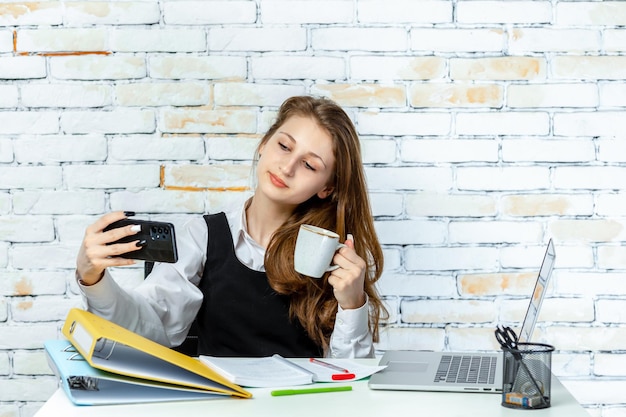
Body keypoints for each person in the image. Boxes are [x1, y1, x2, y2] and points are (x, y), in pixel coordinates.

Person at [75, 95, 387, 358]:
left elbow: (352, 377)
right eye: (284, 146)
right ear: (264, 143)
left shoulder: (330, 258)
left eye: (309, 165)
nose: (287, 167)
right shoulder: (201, 237)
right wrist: (93, 279)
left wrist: (352, 303)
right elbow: (150, 330)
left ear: (327, 188)